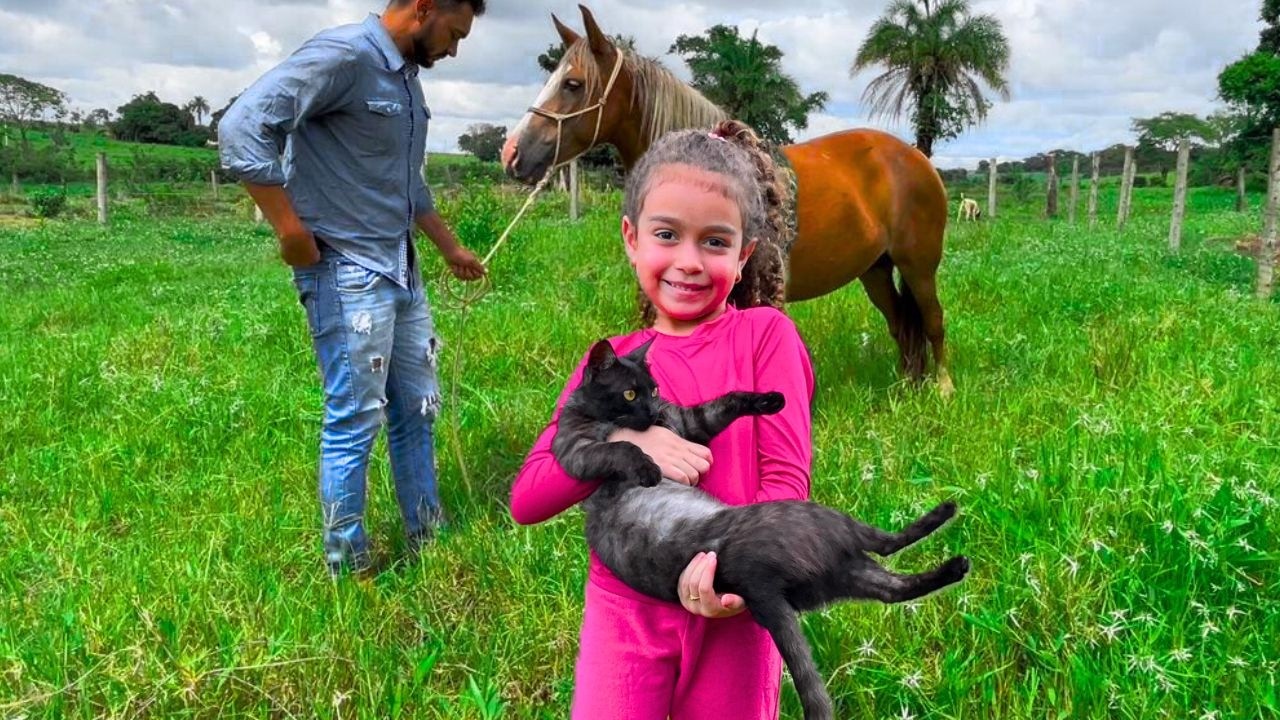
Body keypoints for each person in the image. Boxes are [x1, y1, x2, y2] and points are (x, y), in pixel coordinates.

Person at [510, 120, 816, 719]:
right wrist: (628, 439)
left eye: (715, 242)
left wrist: (736, 575)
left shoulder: (765, 336)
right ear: (631, 238)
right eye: (667, 235)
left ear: (744, 254)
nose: (688, 262)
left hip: (732, 611)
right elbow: (529, 497)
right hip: (624, 609)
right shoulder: (610, 365)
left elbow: (786, 481)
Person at [218, 0, 487, 578]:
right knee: (355, 417)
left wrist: (449, 247)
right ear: (424, 7)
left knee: (418, 409)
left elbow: (406, 182)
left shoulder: (405, 78)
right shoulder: (343, 56)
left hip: (401, 267)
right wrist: (290, 231)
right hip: (346, 271)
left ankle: (427, 538)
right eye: (455, 33)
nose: (454, 49)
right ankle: (348, 566)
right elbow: (241, 127)